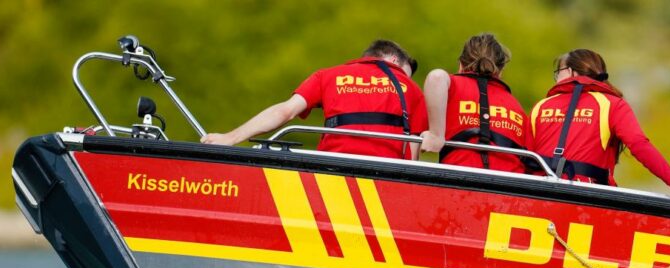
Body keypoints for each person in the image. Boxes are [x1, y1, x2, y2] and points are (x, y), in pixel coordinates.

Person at [202, 40, 428, 160]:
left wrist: (230, 138)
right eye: (404, 71)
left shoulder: (327, 75)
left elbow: (285, 112)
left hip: (330, 167)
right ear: (392, 58)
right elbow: (413, 150)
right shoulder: (411, 88)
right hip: (384, 175)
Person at [527, 49, 670, 201]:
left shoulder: (541, 106)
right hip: (588, 195)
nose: (557, 77)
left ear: (572, 72)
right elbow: (639, 144)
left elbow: (526, 157)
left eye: (559, 71)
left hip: (537, 192)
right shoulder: (613, 104)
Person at [420, 33, 529, 172]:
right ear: (501, 71)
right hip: (508, 187)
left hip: (460, 179)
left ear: (461, 64)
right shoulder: (516, 106)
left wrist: (436, 135)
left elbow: (436, 77)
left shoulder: (450, 89)